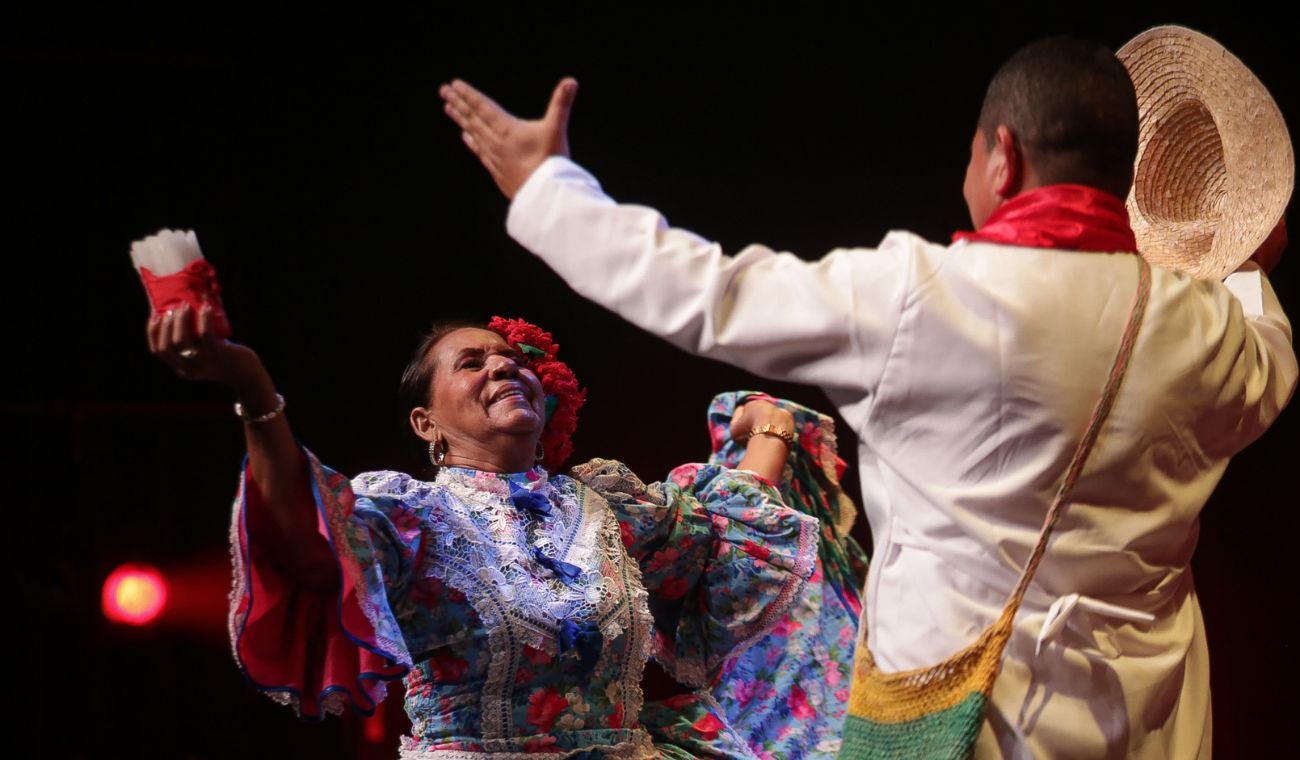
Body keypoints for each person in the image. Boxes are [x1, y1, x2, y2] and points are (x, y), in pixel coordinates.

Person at [440, 34, 1297, 757]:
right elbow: (1272, 351)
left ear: (1003, 156)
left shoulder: (924, 297)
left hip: (962, 720)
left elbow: (705, 291)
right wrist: (1248, 263)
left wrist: (548, 190)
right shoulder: (1209, 330)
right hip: (1150, 723)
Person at [146, 302, 822, 759]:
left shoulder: (607, 505)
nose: (503, 366)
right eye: (472, 362)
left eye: (512, 359)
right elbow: (306, 541)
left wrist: (772, 427)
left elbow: (728, 537)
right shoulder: (410, 517)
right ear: (426, 424)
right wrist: (253, 389)